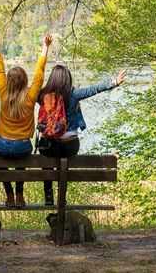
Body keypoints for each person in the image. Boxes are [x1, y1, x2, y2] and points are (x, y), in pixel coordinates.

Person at [37, 65, 127, 205]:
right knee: (64, 165)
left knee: (46, 161)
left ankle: (48, 197)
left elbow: (30, 91)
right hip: (70, 146)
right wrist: (114, 82)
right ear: (68, 79)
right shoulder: (74, 93)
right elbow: (94, 89)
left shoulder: (43, 95)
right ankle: (62, 196)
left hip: (50, 146)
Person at [0, 31, 53, 207]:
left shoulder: (3, 93)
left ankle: (9, 194)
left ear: (9, 81)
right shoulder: (31, 96)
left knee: (0, 161)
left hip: (2, 145)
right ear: (24, 81)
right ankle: (20, 194)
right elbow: (39, 74)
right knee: (20, 162)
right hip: (23, 146)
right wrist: (45, 49)